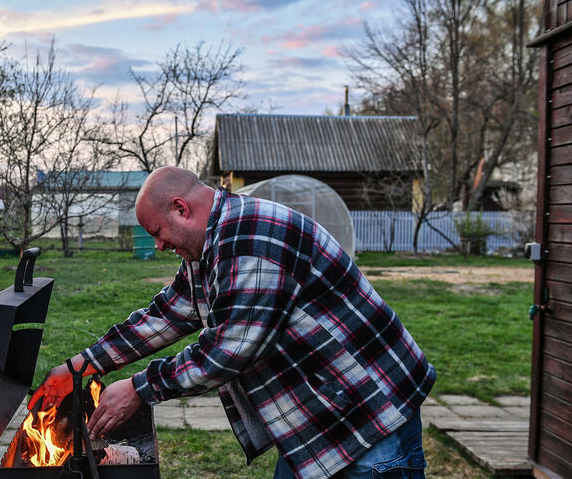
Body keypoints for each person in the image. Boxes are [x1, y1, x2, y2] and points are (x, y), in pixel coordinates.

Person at [30, 166, 435, 479]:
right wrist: (80, 366)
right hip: (321, 423)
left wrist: (140, 388)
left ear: (180, 208)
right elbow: (167, 313)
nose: (158, 245)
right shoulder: (212, 244)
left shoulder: (253, 237)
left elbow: (229, 350)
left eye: (158, 232)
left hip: (371, 417)